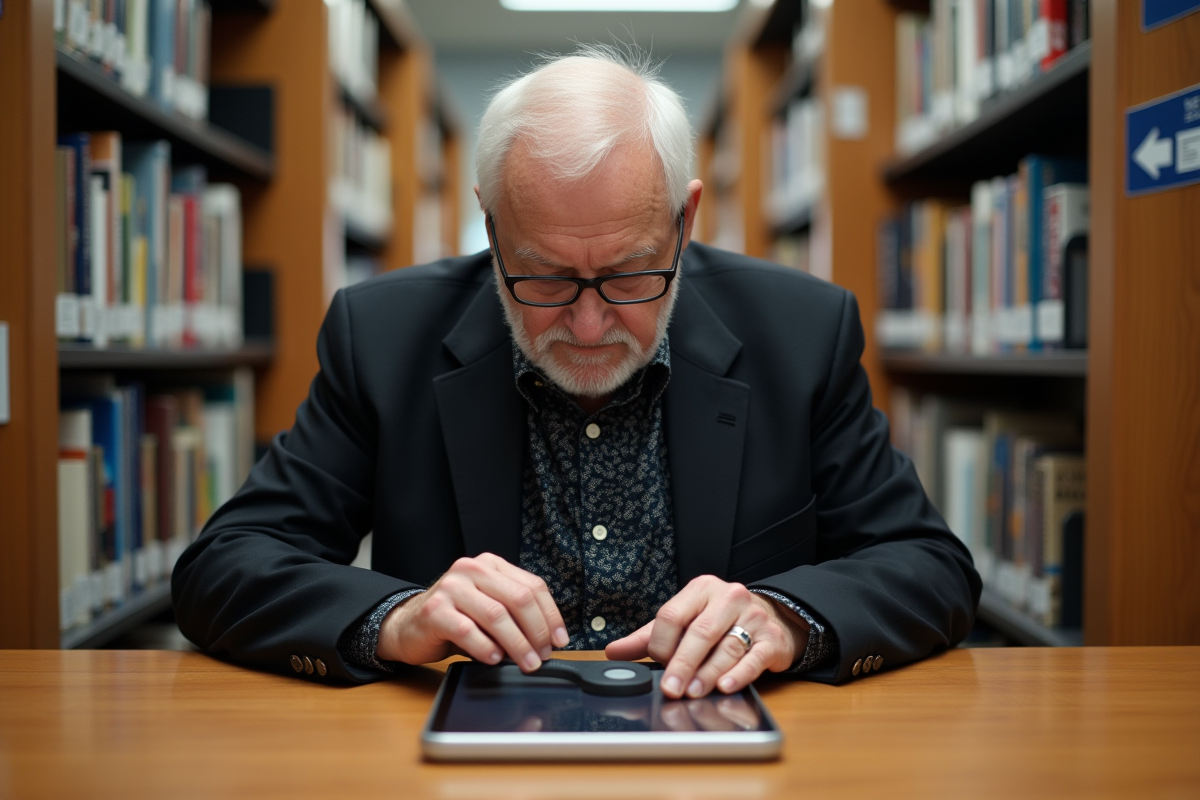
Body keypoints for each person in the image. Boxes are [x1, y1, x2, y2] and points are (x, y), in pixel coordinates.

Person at [173, 46, 980, 699]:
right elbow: (225, 565)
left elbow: (929, 565)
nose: (589, 326)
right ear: (492, 224)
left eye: (630, 275)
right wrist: (397, 617)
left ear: (685, 219)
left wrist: (787, 618)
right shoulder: (381, 337)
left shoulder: (801, 332)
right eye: (545, 278)